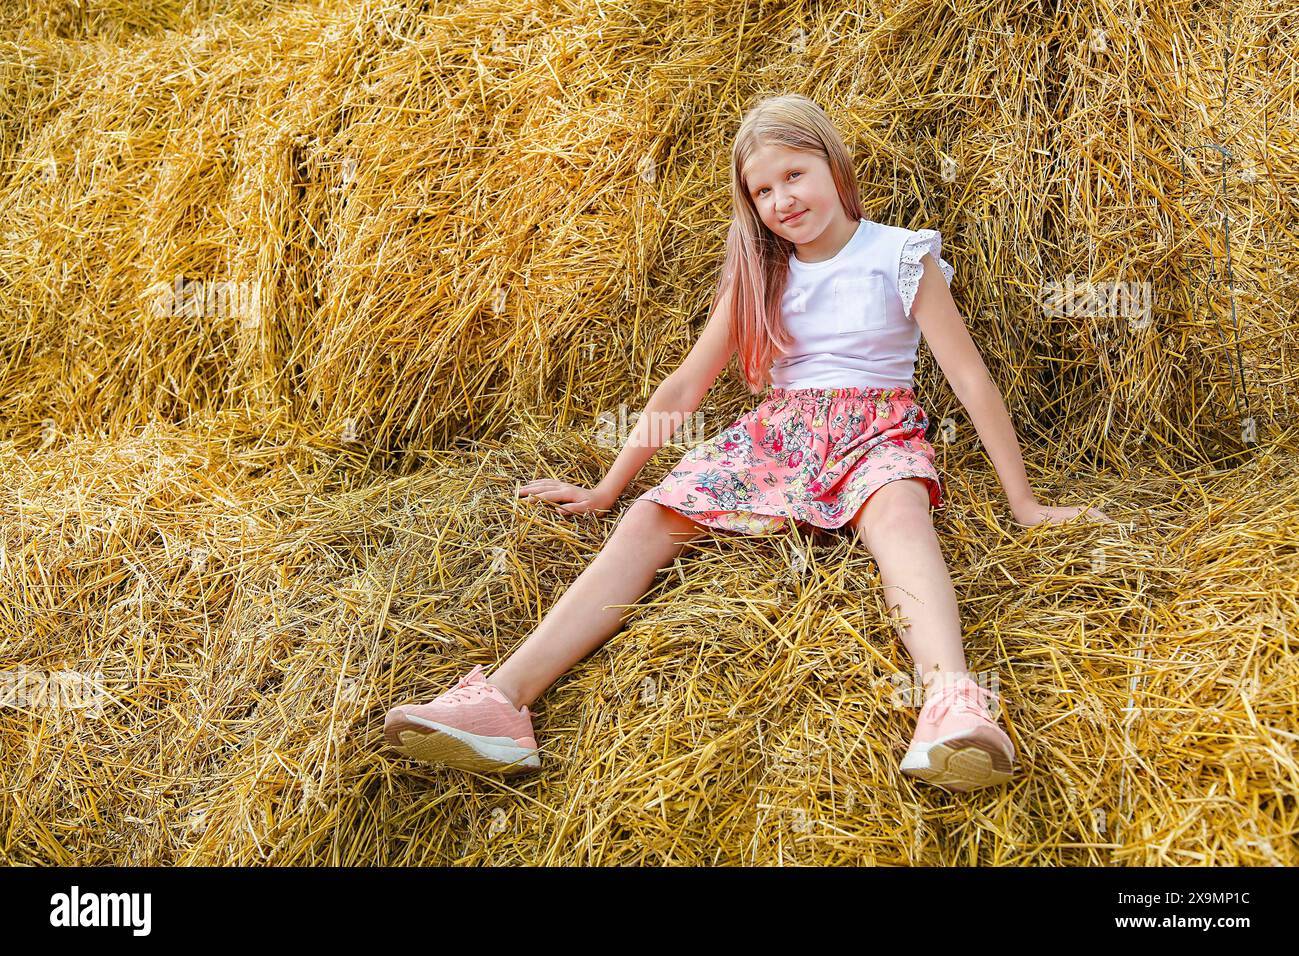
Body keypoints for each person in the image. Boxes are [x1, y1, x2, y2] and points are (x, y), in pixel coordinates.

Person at [383, 93, 1113, 793]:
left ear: (835, 165)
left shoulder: (900, 255)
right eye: (762, 191)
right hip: (778, 435)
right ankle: (502, 703)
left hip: (876, 430)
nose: (782, 200)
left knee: (900, 515)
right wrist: (610, 488)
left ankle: (951, 704)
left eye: (794, 175)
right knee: (649, 518)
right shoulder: (760, 273)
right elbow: (683, 389)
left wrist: (1024, 502)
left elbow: (969, 379)